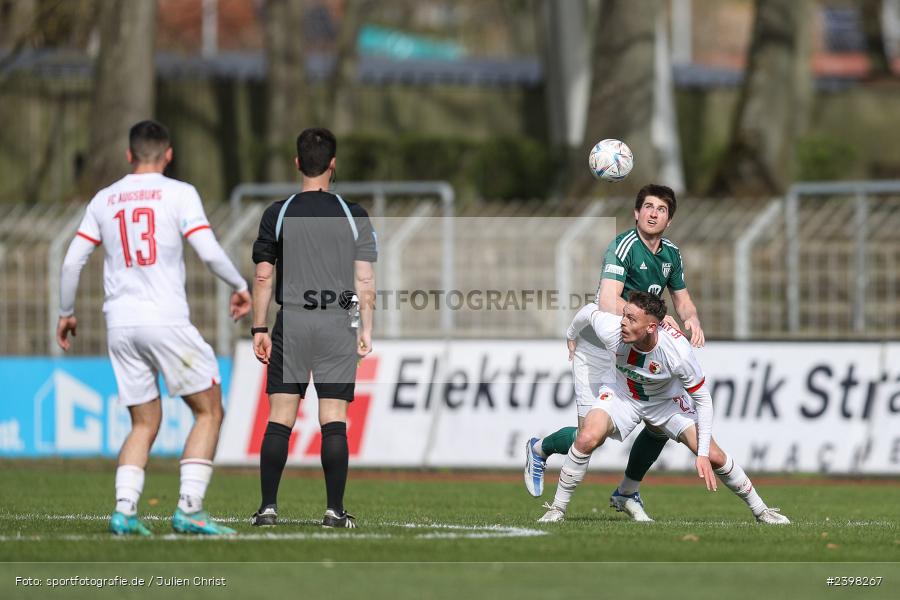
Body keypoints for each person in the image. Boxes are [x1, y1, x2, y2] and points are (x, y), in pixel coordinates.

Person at [56, 120, 251, 536]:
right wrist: (239, 284)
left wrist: (66, 311)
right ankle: (190, 508)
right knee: (210, 410)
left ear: (129, 155)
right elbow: (208, 251)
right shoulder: (179, 193)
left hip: (121, 325)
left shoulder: (104, 199)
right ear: (168, 155)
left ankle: (124, 510)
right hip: (164, 320)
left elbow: (72, 260)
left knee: (143, 422)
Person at [525, 184, 704, 522]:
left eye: (661, 209)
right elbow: (608, 301)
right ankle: (540, 448)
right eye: (647, 207)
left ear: (669, 219)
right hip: (599, 346)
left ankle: (628, 491)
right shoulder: (623, 246)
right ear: (636, 213)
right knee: (590, 437)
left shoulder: (671, 254)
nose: (653, 213)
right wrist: (658, 321)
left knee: (661, 422)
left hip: (637, 346)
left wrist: (692, 318)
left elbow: (682, 299)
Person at [537, 292, 789, 525]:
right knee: (587, 437)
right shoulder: (612, 328)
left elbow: (703, 400)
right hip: (622, 395)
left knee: (714, 456)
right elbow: (587, 312)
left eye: (631, 318)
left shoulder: (677, 353)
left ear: (651, 327)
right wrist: (571, 336)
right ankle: (557, 509)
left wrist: (700, 453)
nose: (623, 322)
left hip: (665, 403)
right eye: (624, 314)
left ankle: (761, 511)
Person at [249, 127, 377, 529]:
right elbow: (365, 282)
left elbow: (263, 278)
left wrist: (259, 327)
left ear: (297, 163)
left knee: (280, 417)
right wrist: (364, 328)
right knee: (333, 418)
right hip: (338, 321)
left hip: (293, 321)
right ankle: (333, 511)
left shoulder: (278, 212)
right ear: (333, 165)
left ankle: (268, 507)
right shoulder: (353, 214)